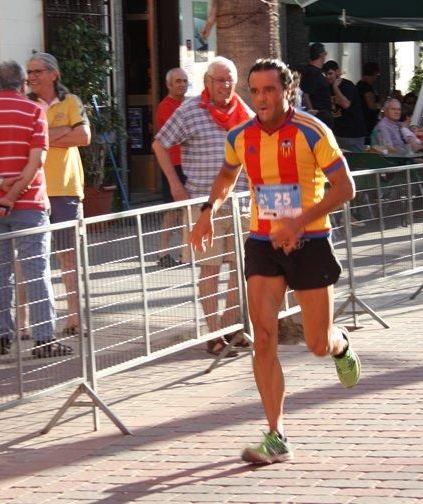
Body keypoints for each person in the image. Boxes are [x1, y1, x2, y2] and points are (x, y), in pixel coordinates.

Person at [190, 58, 360, 465]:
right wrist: (209, 210)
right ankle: (276, 434)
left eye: (270, 90)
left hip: (311, 241)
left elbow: (346, 187)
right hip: (263, 243)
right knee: (263, 338)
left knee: (317, 343)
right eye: (256, 91)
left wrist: (298, 223)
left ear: (287, 90)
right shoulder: (240, 136)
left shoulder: (312, 131)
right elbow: (228, 174)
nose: (262, 98)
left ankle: (341, 346)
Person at [0, 60, 69, 358]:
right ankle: (45, 338)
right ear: (22, 84)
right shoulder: (34, 111)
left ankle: (1, 336)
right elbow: (37, 161)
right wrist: (14, 194)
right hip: (29, 202)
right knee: (36, 269)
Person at [153, 57, 253, 356]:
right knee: (210, 270)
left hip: (242, 205)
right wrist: (174, 184)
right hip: (203, 205)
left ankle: (229, 327)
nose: (225, 86)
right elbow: (160, 143)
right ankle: (214, 334)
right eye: (219, 80)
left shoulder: (244, 112)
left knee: (242, 270)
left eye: (230, 80)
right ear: (207, 82)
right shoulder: (191, 110)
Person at [26, 52, 90, 338]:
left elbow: (84, 137)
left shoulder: (71, 102)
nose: (32, 77)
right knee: (28, 258)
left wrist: (44, 136)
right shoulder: (26, 105)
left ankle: (74, 318)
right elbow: (25, 142)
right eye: (29, 72)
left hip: (65, 188)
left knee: (68, 257)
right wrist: (63, 132)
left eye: (38, 71)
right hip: (33, 189)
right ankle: (24, 323)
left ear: (54, 74)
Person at [155, 67, 190, 268]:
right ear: (169, 84)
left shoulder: (188, 104)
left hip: (188, 163)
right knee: (172, 211)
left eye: (185, 81)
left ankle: (187, 252)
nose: (182, 85)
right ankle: (163, 252)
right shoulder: (165, 107)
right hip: (173, 164)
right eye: (178, 81)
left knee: (187, 210)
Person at [322, 60, 367, 151]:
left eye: (330, 73)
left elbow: (345, 104)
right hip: (338, 133)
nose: (328, 77)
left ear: (337, 72)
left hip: (353, 133)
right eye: (325, 74)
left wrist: (335, 87)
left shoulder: (347, 85)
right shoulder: (327, 87)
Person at [298, 43, 333, 128]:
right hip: (319, 117)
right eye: (325, 53)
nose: (326, 55)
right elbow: (306, 94)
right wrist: (312, 115)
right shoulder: (312, 73)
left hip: (322, 116)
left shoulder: (316, 72)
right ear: (321, 54)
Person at [356, 62, 381, 136]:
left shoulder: (359, 85)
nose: (376, 78)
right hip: (368, 122)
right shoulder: (366, 88)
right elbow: (371, 105)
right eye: (376, 75)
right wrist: (381, 105)